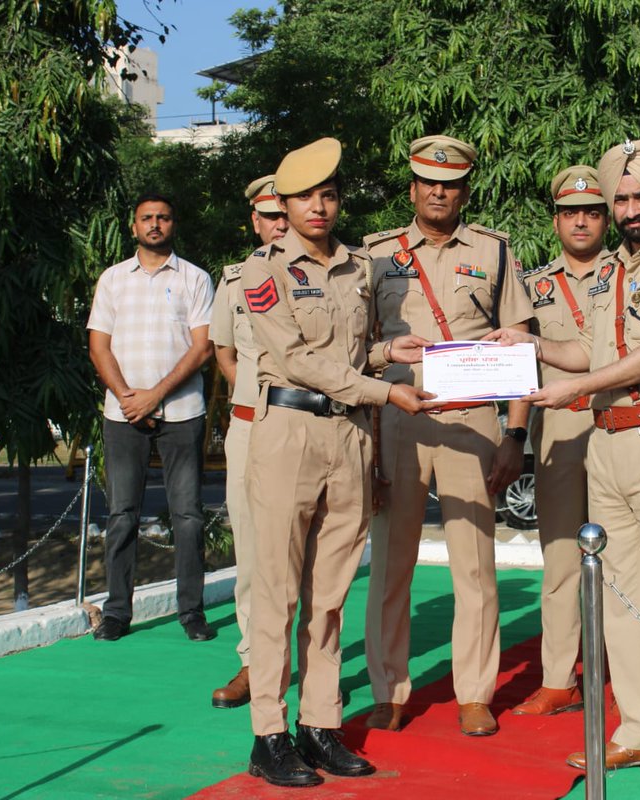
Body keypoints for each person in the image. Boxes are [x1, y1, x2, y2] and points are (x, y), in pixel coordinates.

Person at [487, 139, 640, 786]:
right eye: (621, 197)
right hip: (607, 441)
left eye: (639, 195)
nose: (627, 207)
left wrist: (576, 388)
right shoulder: (611, 270)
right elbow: (588, 348)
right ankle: (638, 729)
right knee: (620, 598)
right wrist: (530, 343)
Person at [239, 138, 433, 787]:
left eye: (328, 195)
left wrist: (386, 354)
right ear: (284, 205)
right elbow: (297, 359)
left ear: (337, 200)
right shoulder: (259, 271)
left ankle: (319, 725)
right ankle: (268, 734)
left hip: (348, 438)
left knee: (329, 598)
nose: (317, 207)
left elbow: (349, 357)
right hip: (289, 432)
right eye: (303, 198)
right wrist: (385, 388)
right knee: (277, 595)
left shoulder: (361, 266)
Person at [362, 134, 534, 737]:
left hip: (472, 421)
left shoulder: (494, 252)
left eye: (451, 183)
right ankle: (389, 690)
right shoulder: (375, 256)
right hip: (399, 421)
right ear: (412, 188)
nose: (439, 191)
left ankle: (475, 692)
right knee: (390, 565)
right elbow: (356, 349)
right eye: (428, 182)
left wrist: (516, 434)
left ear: (464, 190)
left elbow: (519, 347)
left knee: (475, 565)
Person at [87, 193, 216, 642]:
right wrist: (128, 398)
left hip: (181, 412)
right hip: (122, 415)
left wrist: (154, 396)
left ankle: (192, 614)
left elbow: (202, 347)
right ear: (134, 225)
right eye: (147, 218)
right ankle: (118, 612)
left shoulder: (196, 279)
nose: (155, 224)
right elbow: (98, 346)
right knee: (122, 514)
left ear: (173, 224)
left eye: (163, 217)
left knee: (188, 516)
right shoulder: (112, 279)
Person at [510, 165, 609, 717]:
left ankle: (636, 669)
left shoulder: (628, 275)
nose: (580, 221)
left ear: (605, 219)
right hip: (561, 428)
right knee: (560, 558)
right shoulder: (534, 285)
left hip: (621, 422)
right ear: (555, 221)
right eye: (570, 212)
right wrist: (516, 433)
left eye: (592, 212)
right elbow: (524, 366)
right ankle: (557, 678)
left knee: (630, 559)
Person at [207, 174, 290, 709]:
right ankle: (253, 663)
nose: (279, 224)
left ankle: (309, 658)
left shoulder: (330, 274)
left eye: (286, 213)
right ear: (255, 221)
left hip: (306, 425)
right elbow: (225, 355)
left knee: (309, 558)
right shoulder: (234, 280)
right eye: (270, 216)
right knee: (253, 552)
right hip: (249, 426)